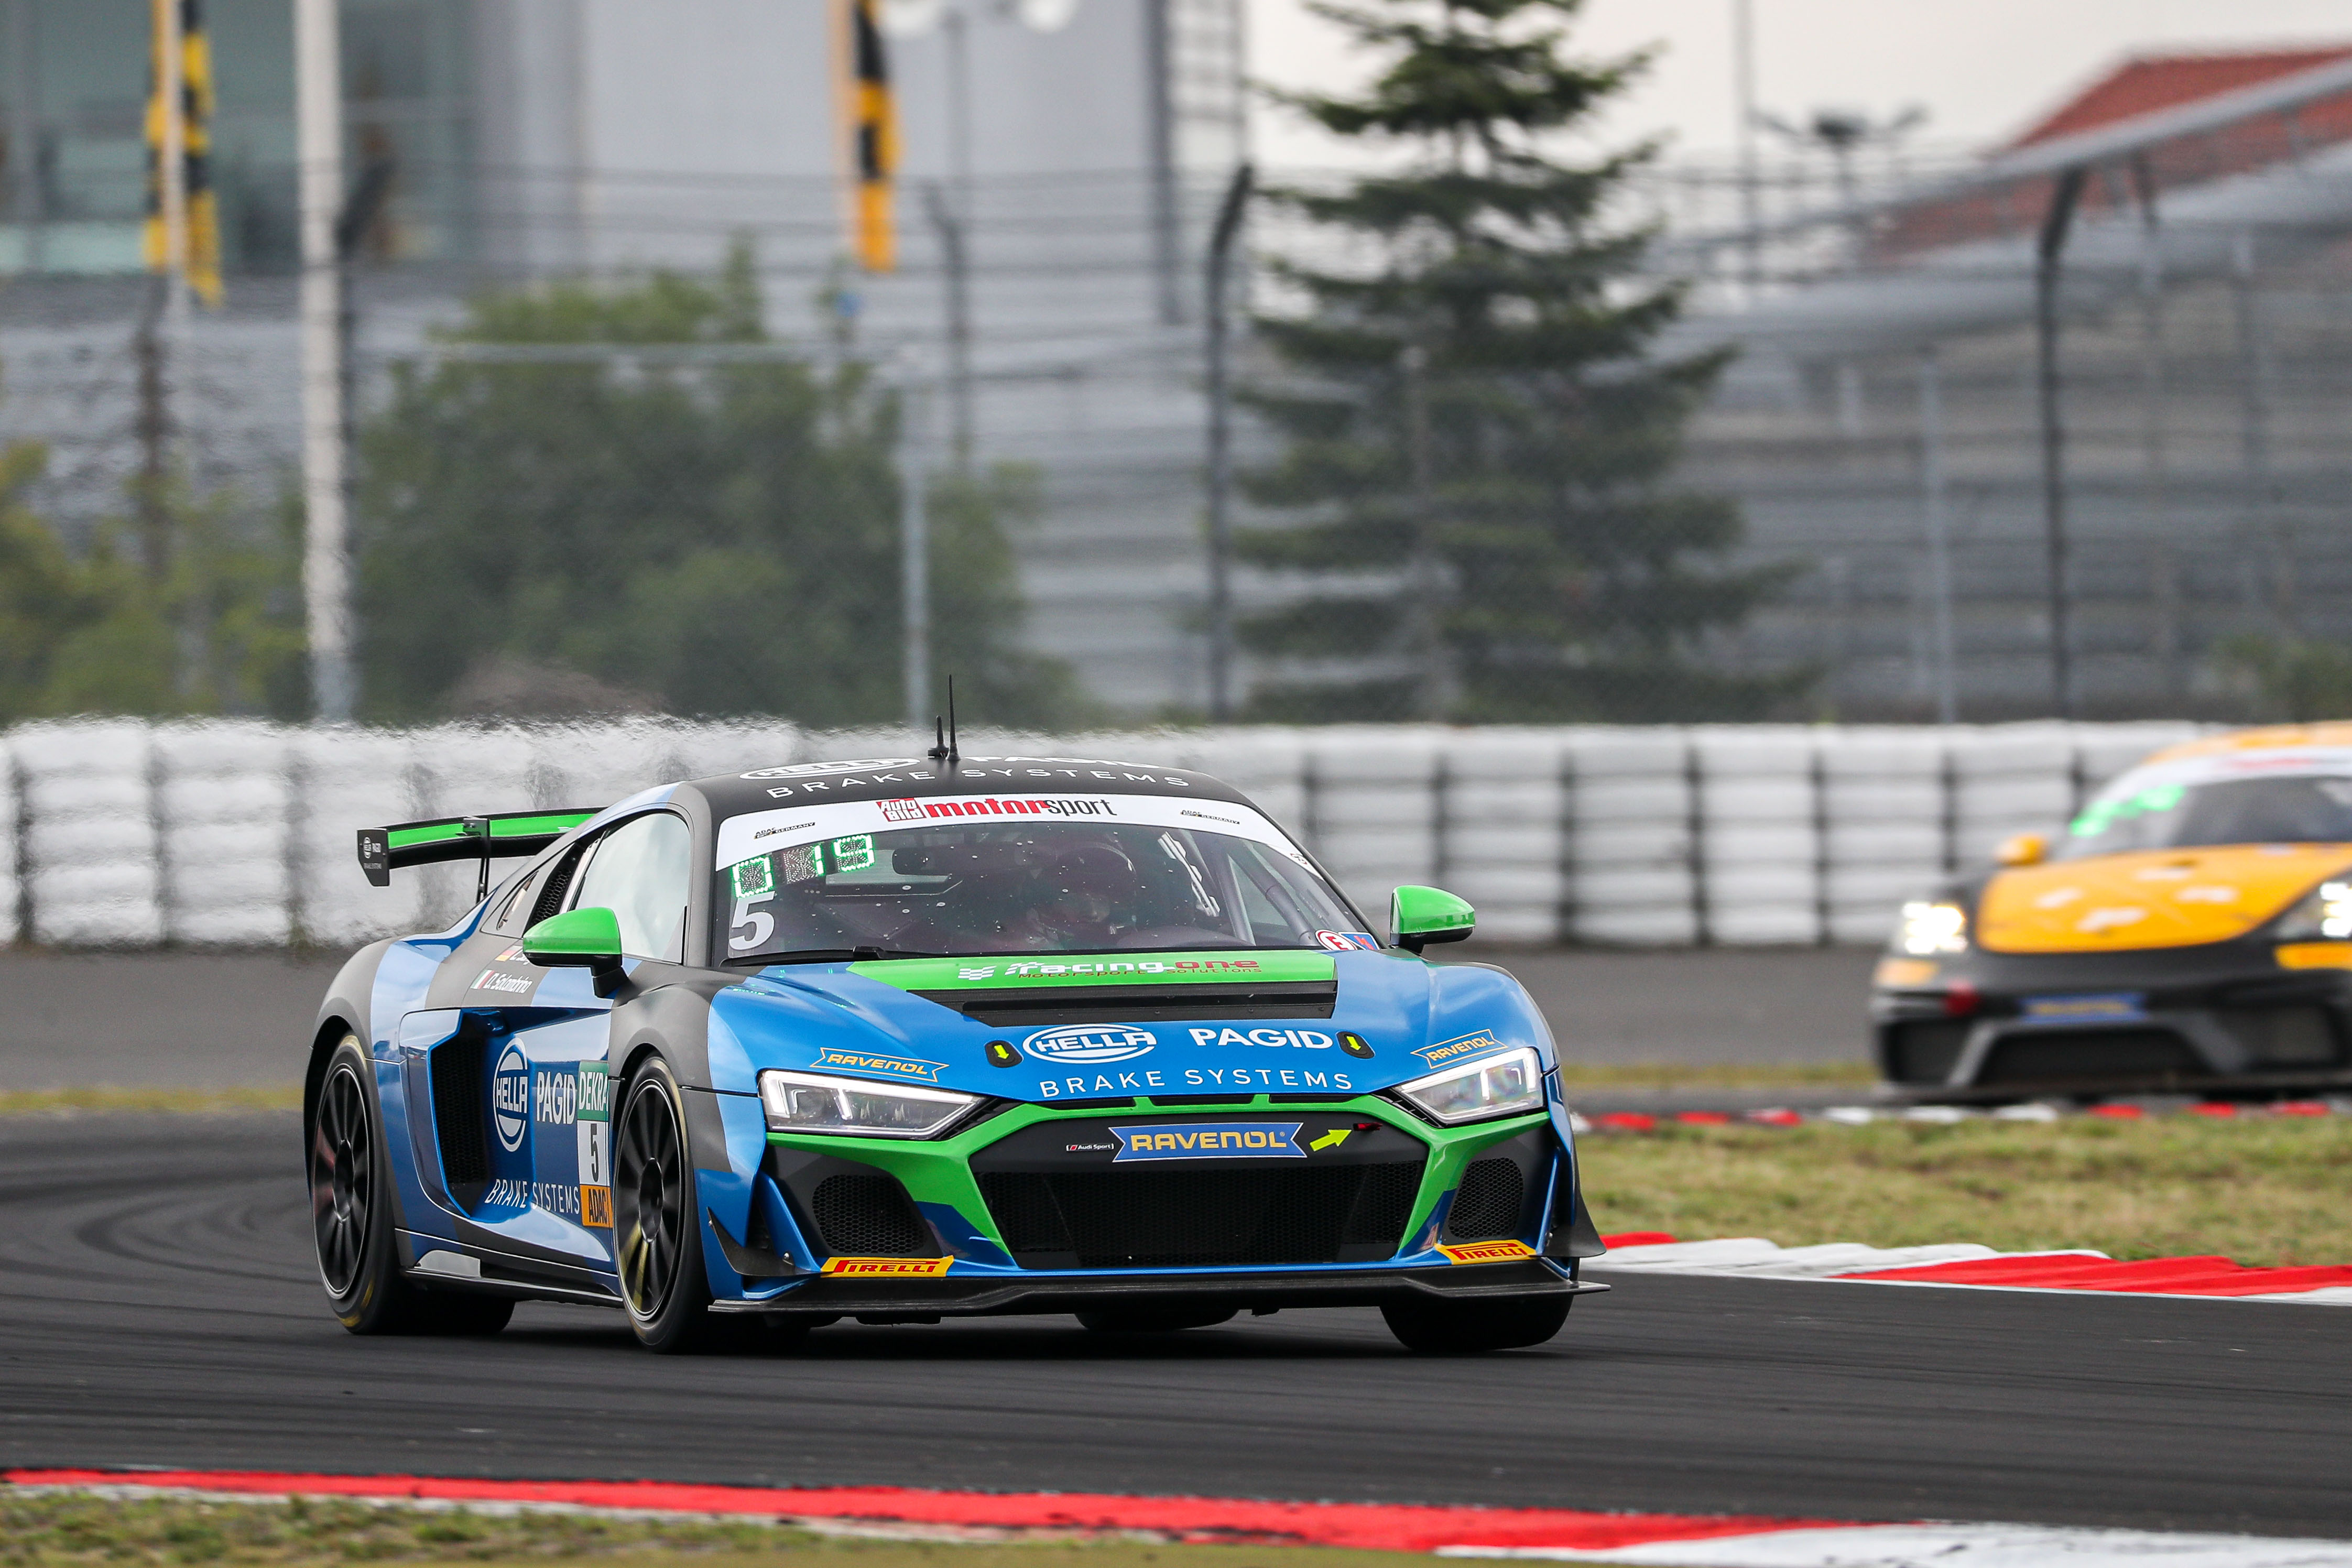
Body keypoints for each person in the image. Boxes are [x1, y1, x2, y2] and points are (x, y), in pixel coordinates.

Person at [998, 839, 1139, 949]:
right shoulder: (1005, 949)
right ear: (1043, 903)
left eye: (1101, 901)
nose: (1092, 913)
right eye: (1074, 900)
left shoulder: (1138, 946)